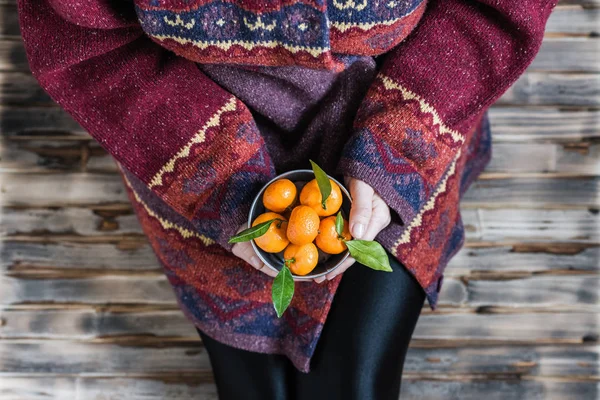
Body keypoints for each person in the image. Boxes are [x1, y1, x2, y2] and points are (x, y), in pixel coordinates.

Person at [16, 0, 557, 398]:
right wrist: (218, 178)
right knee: (255, 391)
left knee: (354, 385)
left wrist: (396, 145)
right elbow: (81, 45)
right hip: (184, 130)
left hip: (394, 99)